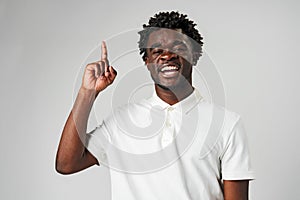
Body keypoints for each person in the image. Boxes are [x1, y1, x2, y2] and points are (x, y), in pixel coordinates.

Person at [56, 11, 255, 199]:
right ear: (147, 61)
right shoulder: (122, 121)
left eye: (178, 48)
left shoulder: (227, 124)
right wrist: (87, 92)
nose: (167, 56)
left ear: (194, 55)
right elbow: (66, 164)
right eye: (157, 50)